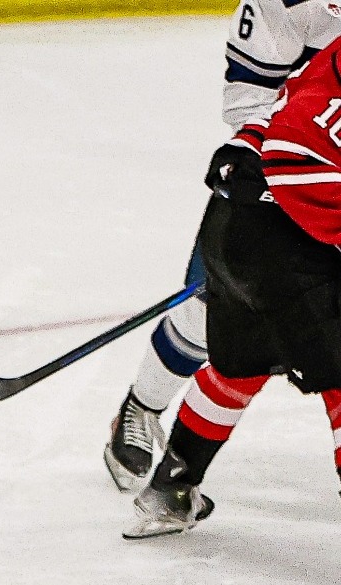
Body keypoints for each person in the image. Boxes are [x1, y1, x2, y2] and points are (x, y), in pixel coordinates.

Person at [104, 0, 341, 489]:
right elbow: (250, 101)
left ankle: (173, 483)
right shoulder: (284, 4)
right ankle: (144, 404)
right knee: (210, 310)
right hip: (289, 174)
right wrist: (272, 166)